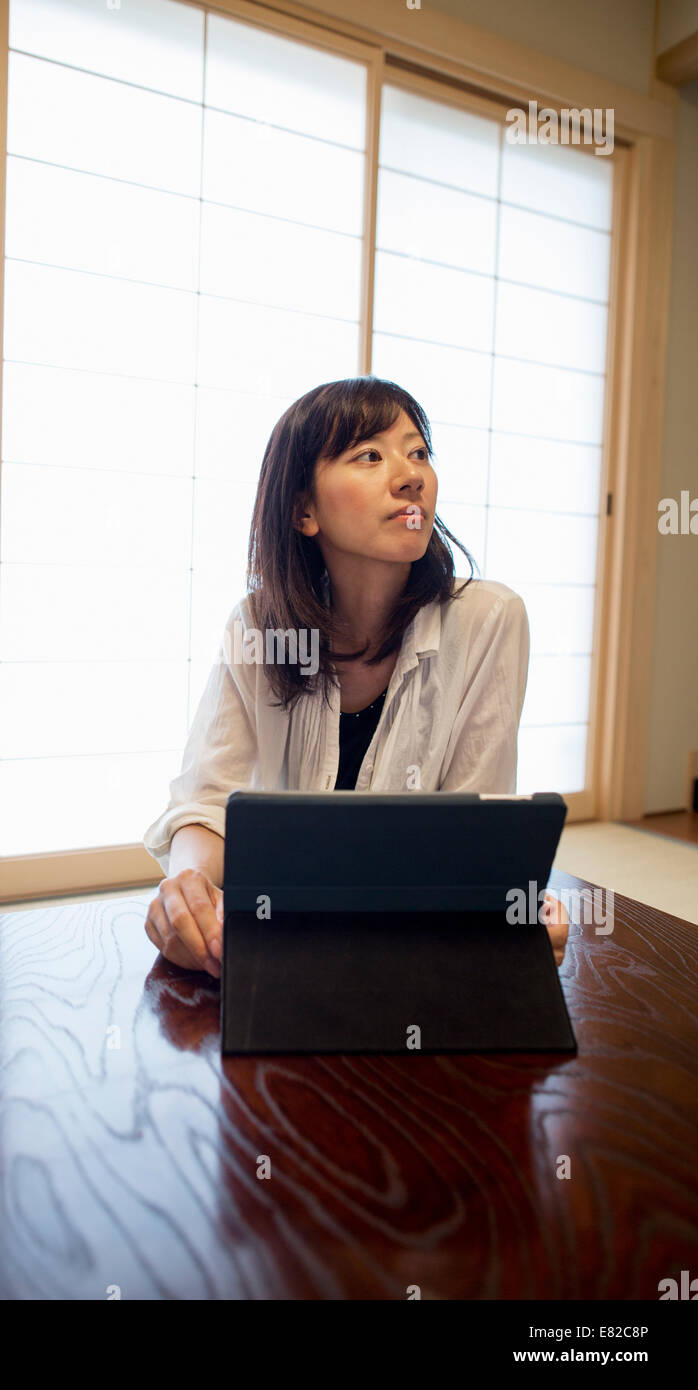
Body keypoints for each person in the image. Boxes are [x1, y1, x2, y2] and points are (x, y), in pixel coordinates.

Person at [142, 376, 570, 980]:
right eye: (370, 455)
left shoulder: (489, 619)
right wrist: (186, 890)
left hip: (417, 958)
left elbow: (479, 831)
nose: (409, 474)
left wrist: (501, 915)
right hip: (279, 955)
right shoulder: (261, 625)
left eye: (418, 452)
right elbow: (208, 804)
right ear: (303, 510)